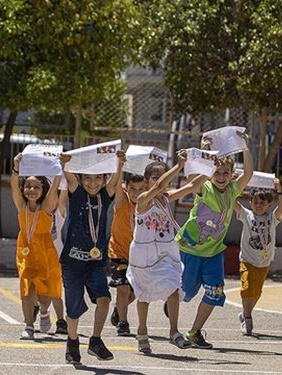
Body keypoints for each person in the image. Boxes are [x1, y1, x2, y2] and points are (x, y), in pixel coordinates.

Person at [176, 131, 252, 348]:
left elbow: (248, 173)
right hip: (191, 249)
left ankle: (194, 331)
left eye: (225, 172)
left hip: (214, 252)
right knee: (187, 292)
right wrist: (205, 152)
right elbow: (192, 177)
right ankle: (174, 300)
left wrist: (245, 147)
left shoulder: (233, 190)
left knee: (215, 291)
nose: (220, 176)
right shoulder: (204, 187)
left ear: (231, 174)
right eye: (216, 171)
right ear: (210, 173)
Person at [127, 152, 207, 354]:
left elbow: (192, 187)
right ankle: (142, 331)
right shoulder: (143, 199)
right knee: (143, 296)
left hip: (165, 252)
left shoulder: (166, 198)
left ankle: (174, 332)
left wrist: (210, 167)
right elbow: (159, 187)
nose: (161, 180)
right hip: (144, 254)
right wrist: (178, 166)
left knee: (173, 289)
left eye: (162, 175)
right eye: (155, 176)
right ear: (146, 181)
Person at [60, 150, 125, 364]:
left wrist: (119, 162)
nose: (93, 182)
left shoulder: (106, 196)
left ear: (104, 179)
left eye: (98, 178)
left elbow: (115, 181)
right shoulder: (77, 193)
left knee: (105, 299)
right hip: (72, 262)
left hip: (96, 262)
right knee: (73, 310)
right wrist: (65, 163)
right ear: (81, 179)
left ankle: (95, 341)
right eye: (87, 178)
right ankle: (72, 341)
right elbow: (69, 176)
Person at [10, 153, 62, 340]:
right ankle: (29, 325)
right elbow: (14, 186)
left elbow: (55, 187)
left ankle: (45, 311)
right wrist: (16, 167)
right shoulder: (22, 207)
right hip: (25, 249)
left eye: (36, 187)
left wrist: (59, 169)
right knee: (27, 287)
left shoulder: (47, 206)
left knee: (45, 294)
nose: (31, 190)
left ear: (43, 189)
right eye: (28, 186)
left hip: (44, 249)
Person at [234, 181, 282, 335]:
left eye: (262, 203)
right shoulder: (246, 215)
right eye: (255, 202)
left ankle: (244, 313)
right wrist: (234, 185)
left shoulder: (272, 218)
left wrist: (279, 191)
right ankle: (247, 319)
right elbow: (231, 202)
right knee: (246, 288)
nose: (258, 205)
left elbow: (281, 208)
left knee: (256, 293)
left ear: (269, 205)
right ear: (250, 202)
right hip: (247, 259)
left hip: (264, 261)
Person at [107, 172, 146, 336]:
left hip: (139, 254)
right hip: (118, 252)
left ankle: (118, 309)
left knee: (136, 292)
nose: (136, 193)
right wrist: (120, 165)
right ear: (126, 187)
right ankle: (123, 323)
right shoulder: (121, 199)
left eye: (141, 189)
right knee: (122, 289)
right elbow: (115, 182)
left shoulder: (148, 203)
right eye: (132, 189)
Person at [49, 183, 69, 334]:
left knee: (56, 290)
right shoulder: (37, 210)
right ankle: (37, 309)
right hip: (38, 254)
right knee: (35, 288)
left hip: (56, 255)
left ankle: (61, 320)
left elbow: (63, 198)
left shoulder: (58, 214)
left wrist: (63, 176)